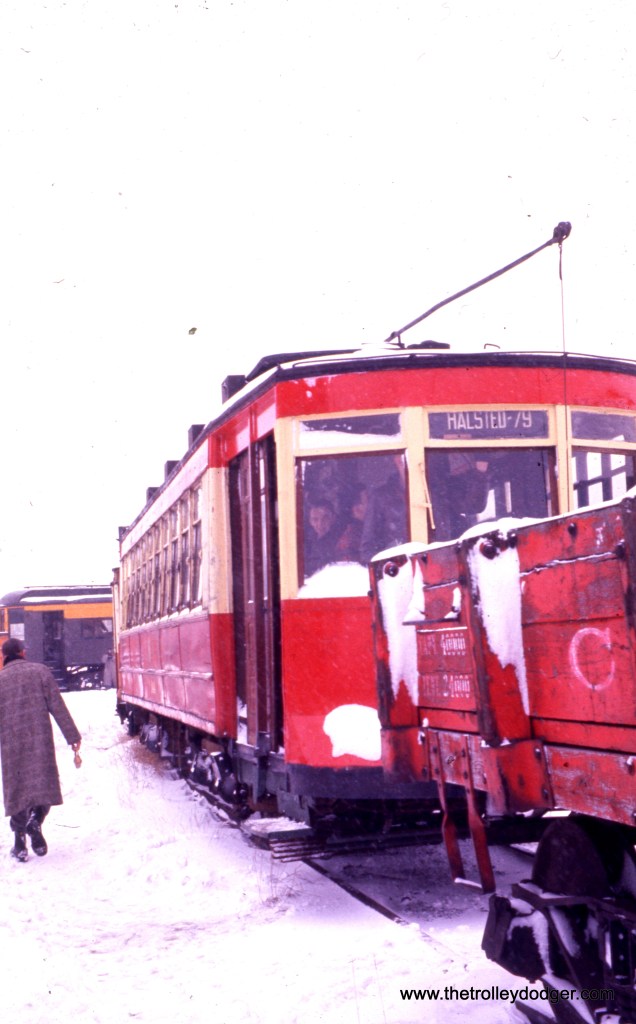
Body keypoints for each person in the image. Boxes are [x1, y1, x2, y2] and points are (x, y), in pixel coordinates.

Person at [0, 638, 82, 862]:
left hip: (11, 746)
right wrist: (72, 736)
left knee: (17, 790)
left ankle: (19, 842)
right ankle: (35, 820)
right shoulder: (41, 672)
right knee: (43, 785)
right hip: (39, 741)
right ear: (22, 653)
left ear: (4, 656)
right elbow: (57, 706)